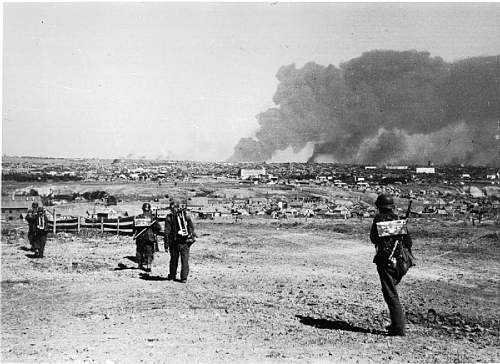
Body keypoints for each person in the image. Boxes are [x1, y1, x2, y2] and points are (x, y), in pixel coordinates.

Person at [370, 194, 413, 336]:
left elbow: (373, 238)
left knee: (390, 294)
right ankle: (396, 324)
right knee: (391, 291)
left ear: (379, 207)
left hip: (386, 261)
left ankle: (398, 327)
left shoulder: (379, 219)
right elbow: (408, 242)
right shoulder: (398, 220)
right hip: (401, 262)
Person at [164, 202, 196, 283]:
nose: (173, 210)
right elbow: (191, 227)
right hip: (182, 242)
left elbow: (167, 232)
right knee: (183, 260)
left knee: (176, 260)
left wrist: (166, 244)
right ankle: (182, 278)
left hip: (177, 243)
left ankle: (173, 276)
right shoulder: (185, 216)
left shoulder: (169, 217)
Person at [133, 203, 161, 272]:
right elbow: (158, 228)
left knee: (140, 250)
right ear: (149, 209)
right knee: (149, 252)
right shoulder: (152, 218)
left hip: (140, 237)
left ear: (142, 209)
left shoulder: (138, 217)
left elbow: (133, 227)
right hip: (149, 238)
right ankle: (148, 266)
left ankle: (140, 265)